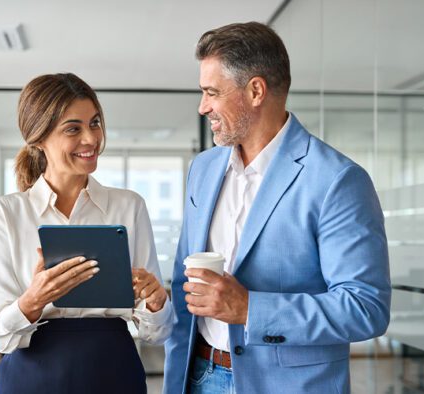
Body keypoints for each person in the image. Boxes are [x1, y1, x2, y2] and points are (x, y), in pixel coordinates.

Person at [164, 22, 391, 394]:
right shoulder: (203, 169)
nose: (203, 106)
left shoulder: (337, 180)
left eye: (211, 92)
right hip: (200, 375)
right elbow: (182, 282)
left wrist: (250, 308)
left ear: (255, 91)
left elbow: (365, 308)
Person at [0, 73, 174, 394]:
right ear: (38, 138)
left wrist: (156, 303)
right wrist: (33, 300)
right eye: (73, 128)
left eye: (95, 123)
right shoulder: (6, 213)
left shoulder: (129, 206)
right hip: (32, 376)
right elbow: (2, 337)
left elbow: (157, 333)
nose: (91, 138)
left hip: (114, 372)